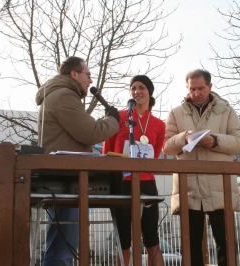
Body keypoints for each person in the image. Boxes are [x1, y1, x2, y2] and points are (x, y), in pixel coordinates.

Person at [35, 56, 120, 266]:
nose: (90, 81)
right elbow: (90, 132)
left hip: (65, 177)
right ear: (74, 74)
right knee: (63, 248)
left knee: (61, 242)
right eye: (88, 75)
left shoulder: (55, 94)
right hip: (67, 177)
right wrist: (112, 120)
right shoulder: (64, 96)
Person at [162, 69, 240, 266]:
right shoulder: (176, 112)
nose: (197, 93)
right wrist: (184, 137)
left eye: (201, 88)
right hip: (189, 185)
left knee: (225, 243)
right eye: (192, 89)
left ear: (210, 87)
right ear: (187, 88)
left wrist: (215, 140)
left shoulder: (227, 111)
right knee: (191, 245)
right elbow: (166, 146)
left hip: (219, 184)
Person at [102, 75, 165, 266]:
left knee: (152, 238)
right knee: (123, 240)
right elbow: (107, 150)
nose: (137, 91)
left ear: (150, 92)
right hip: (121, 182)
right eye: (133, 88)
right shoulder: (120, 117)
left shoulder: (159, 124)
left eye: (142, 87)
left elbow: (156, 151)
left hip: (146, 181)